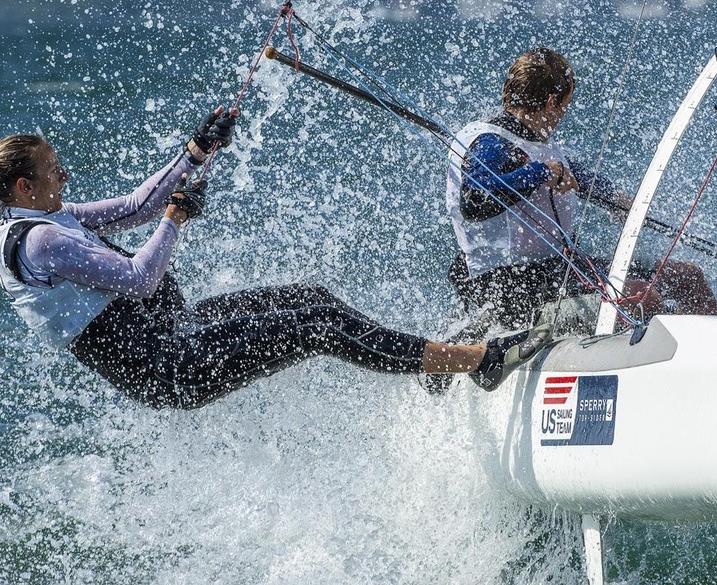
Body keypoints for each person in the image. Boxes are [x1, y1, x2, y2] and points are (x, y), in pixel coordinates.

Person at [0, 108, 549, 408]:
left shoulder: (47, 219)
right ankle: (478, 361)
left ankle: (444, 363)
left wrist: (195, 153)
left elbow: (134, 207)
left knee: (312, 300)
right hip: (170, 368)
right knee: (320, 325)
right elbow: (141, 278)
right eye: (54, 170)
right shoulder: (41, 242)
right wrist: (177, 219)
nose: (64, 175)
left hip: (175, 331)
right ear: (25, 187)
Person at [446, 47, 717, 327]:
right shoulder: (491, 142)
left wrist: (617, 199)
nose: (563, 114)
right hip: (511, 287)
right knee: (641, 298)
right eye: (565, 105)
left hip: (556, 271)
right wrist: (540, 173)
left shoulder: (532, 138)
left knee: (688, 277)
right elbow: (474, 200)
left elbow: (576, 175)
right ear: (551, 102)